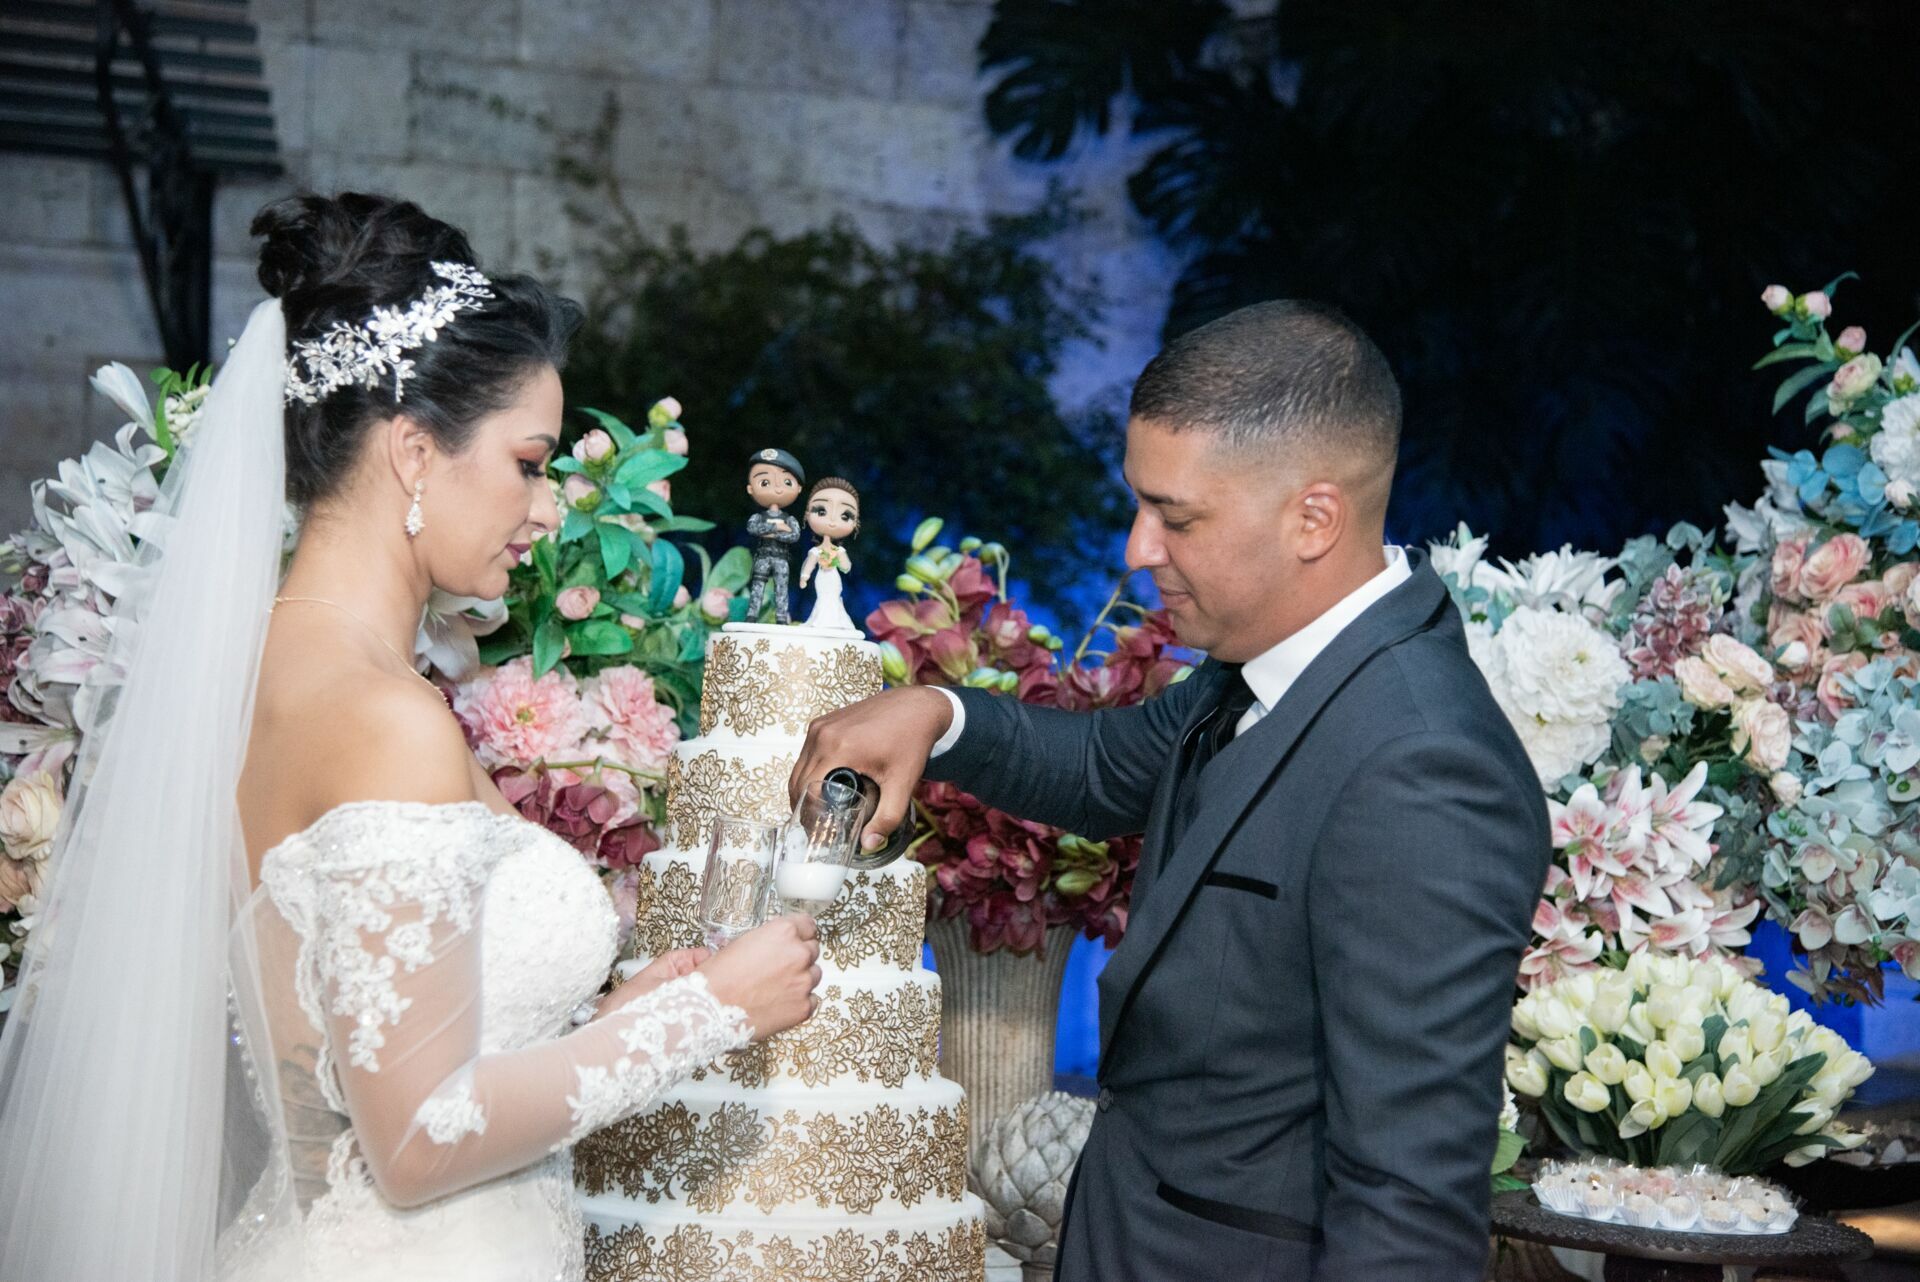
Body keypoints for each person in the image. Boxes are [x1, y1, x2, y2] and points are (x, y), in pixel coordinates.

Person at [0, 192, 821, 1282]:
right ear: (414, 451)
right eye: (529, 462)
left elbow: (363, 1039)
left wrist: (615, 1009)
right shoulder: (381, 720)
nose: (546, 510)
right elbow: (418, 1138)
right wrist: (708, 1013)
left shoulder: (277, 674)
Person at [792, 301, 1551, 1280]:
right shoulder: (1270, 667)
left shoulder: (1424, 765)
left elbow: (1408, 1203)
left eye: (1177, 517)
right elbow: (1109, 767)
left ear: (1313, 517)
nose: (1137, 550)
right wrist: (940, 714)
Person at [744, 448, 805, 624]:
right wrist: (778, 528)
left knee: (781, 587)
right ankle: (752, 615)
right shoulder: (758, 517)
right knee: (758, 585)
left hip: (781, 557)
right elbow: (753, 528)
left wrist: (773, 532)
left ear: (798, 488)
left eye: (786, 482)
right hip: (762, 556)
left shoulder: (790, 519)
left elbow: (794, 536)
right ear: (750, 488)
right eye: (765, 482)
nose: (777, 488)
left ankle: (781, 617)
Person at [798, 476, 860, 631]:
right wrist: (804, 577)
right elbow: (810, 565)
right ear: (807, 514)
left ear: (855, 522)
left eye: (845, 516)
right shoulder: (815, 551)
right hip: (822, 577)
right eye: (821, 511)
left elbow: (846, 567)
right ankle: (820, 622)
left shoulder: (839, 551)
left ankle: (837, 622)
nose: (832, 520)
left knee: (833, 597)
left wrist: (841, 562)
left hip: (833, 577)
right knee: (823, 598)